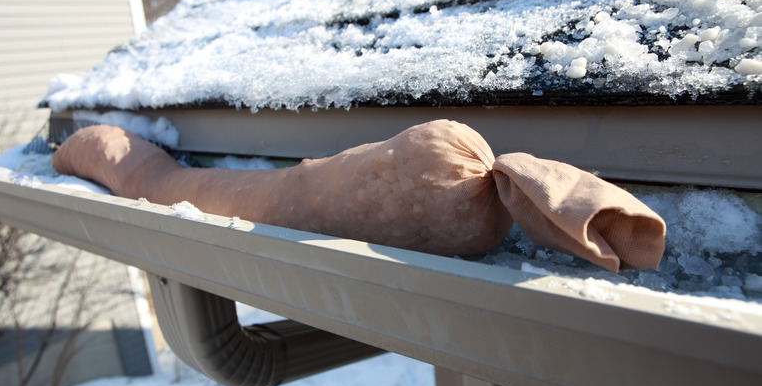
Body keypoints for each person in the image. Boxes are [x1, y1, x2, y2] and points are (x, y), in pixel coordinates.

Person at [52, 119, 665, 272]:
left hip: (446, 188)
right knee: (156, 182)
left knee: (159, 183)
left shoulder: (452, 169)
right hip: (164, 175)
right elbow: (138, 175)